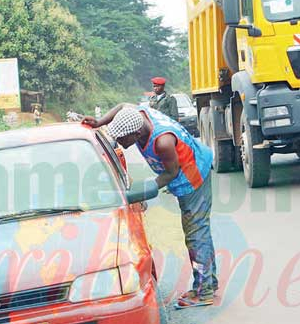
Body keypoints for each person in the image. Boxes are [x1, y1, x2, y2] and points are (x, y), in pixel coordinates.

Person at [84, 103, 218, 308]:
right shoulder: (137, 115)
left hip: (194, 177)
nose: (120, 143)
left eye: (122, 139)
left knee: (196, 233)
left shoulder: (163, 142)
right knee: (199, 231)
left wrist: (143, 192)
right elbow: (122, 106)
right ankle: (208, 282)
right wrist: (100, 122)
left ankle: (204, 291)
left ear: (136, 133)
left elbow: (171, 173)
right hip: (186, 171)